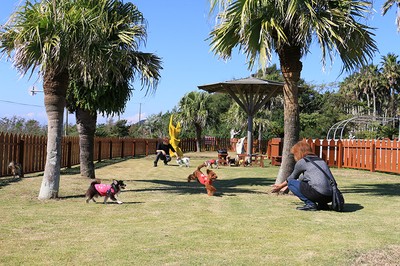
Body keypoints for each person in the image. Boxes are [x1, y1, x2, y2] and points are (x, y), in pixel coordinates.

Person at [271, 141, 334, 211]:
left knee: (291, 183)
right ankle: (323, 205)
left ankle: (310, 204)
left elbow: (292, 178)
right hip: (331, 196)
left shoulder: (303, 162)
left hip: (319, 194)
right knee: (303, 179)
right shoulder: (321, 160)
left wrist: (280, 186)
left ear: (298, 153)